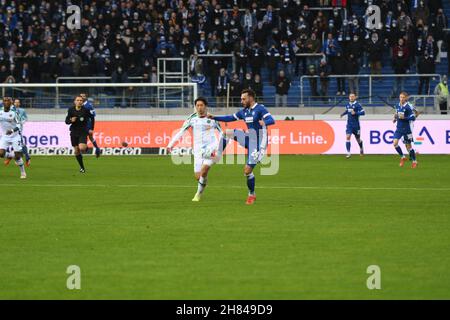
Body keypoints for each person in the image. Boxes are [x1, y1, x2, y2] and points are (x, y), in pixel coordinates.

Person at [207, 89, 275, 205]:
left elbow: (271, 120)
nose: (242, 101)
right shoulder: (244, 112)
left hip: (259, 143)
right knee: (227, 132)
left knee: (247, 171)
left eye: (244, 99)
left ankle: (251, 194)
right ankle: (218, 155)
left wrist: (265, 123)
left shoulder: (260, 109)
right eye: (241, 99)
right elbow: (230, 118)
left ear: (251, 98)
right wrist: (214, 117)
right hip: (249, 138)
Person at [167, 97, 225, 202]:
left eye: (201, 105)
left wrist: (219, 147)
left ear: (205, 106)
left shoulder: (212, 118)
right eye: (197, 105)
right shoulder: (191, 118)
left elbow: (221, 133)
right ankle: (203, 183)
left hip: (211, 149)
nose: (199, 108)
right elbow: (181, 131)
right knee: (198, 176)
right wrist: (171, 144)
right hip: (198, 151)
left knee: (204, 171)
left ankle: (197, 195)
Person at [0, 97, 27, 179]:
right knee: (1, 154)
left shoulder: (15, 113)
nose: (6, 102)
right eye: (5, 101)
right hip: (5, 136)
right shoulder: (0, 112)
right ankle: (11, 155)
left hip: (15, 136)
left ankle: (23, 172)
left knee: (18, 156)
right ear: (3, 103)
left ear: (11, 103)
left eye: (8, 101)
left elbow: (19, 125)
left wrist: (12, 130)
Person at [65, 96, 91, 173]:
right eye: (78, 100)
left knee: (82, 148)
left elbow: (91, 118)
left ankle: (85, 147)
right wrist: (70, 120)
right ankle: (82, 167)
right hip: (74, 132)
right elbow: (66, 121)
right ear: (75, 101)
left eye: (81, 100)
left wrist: (91, 128)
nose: (79, 101)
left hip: (83, 132)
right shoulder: (71, 110)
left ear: (82, 102)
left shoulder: (86, 110)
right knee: (76, 151)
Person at [393, 92, 418, 169]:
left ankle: (414, 161)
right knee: (395, 143)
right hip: (399, 128)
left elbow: (413, 117)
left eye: (403, 97)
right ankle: (403, 157)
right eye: (400, 97)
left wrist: (405, 118)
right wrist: (394, 118)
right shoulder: (397, 105)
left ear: (406, 98)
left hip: (407, 129)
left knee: (408, 147)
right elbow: (396, 113)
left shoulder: (408, 107)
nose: (402, 99)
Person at [4, 98, 31, 167]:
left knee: (20, 144)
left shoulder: (22, 110)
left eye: (18, 102)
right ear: (13, 103)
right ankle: (11, 157)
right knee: (17, 145)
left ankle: (26, 158)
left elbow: (25, 118)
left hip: (18, 129)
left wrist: (22, 122)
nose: (16, 103)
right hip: (10, 129)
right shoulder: (11, 109)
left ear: (19, 103)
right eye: (15, 102)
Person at [340, 93, 365, 158]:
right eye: (350, 96)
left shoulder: (358, 105)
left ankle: (361, 148)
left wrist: (356, 113)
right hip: (349, 125)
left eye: (353, 96)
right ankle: (348, 153)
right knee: (348, 137)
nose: (351, 97)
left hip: (356, 126)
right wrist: (343, 114)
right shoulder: (347, 104)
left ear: (355, 97)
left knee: (358, 139)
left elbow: (363, 112)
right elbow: (347, 111)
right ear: (349, 97)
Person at [80, 93, 101, 158]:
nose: (82, 97)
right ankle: (97, 149)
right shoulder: (79, 104)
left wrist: (91, 128)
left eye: (83, 96)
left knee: (86, 136)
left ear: (86, 97)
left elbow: (93, 115)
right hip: (81, 124)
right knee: (89, 137)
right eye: (81, 96)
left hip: (87, 124)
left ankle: (85, 149)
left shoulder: (88, 105)